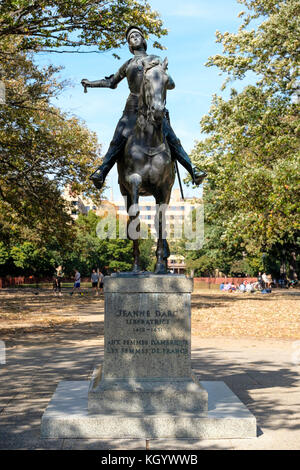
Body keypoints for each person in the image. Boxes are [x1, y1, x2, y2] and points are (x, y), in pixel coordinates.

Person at [81, 26, 206, 190]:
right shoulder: (127, 64)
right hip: (131, 111)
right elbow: (111, 83)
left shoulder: (155, 59)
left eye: (137, 35)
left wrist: (163, 77)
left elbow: (171, 83)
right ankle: (102, 171)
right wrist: (91, 83)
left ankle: (193, 169)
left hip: (153, 109)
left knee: (172, 138)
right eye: (130, 37)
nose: (134, 37)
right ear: (129, 45)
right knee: (117, 139)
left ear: (143, 40)